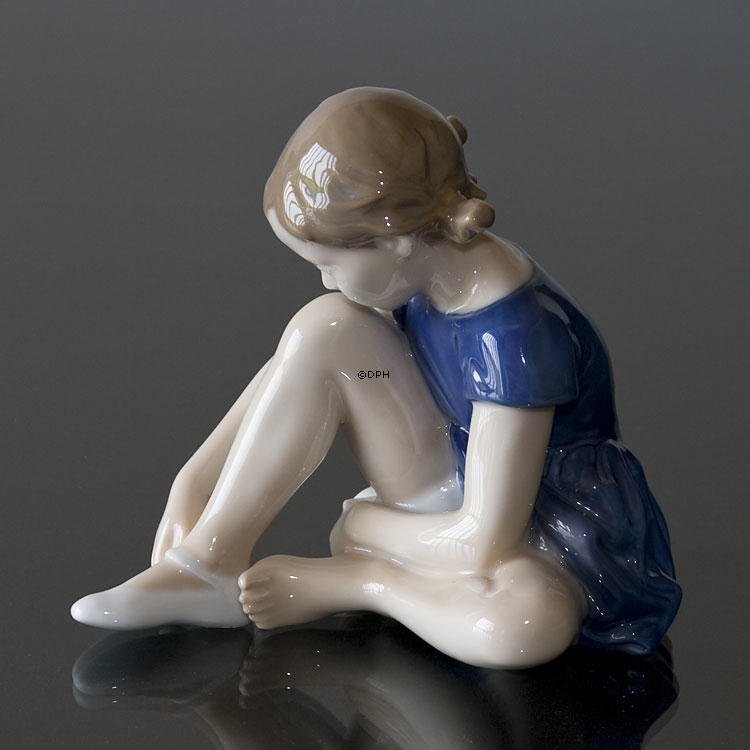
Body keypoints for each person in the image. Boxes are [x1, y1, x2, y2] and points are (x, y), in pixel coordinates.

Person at [71, 87, 681, 668]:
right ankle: (206, 565)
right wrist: (193, 482)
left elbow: (483, 541)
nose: (326, 278)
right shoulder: (424, 272)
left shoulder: (514, 336)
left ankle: (366, 582)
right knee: (327, 325)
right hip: (453, 477)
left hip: (546, 527)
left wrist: (365, 529)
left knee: (524, 626)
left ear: (395, 244)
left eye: (330, 263)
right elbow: (296, 365)